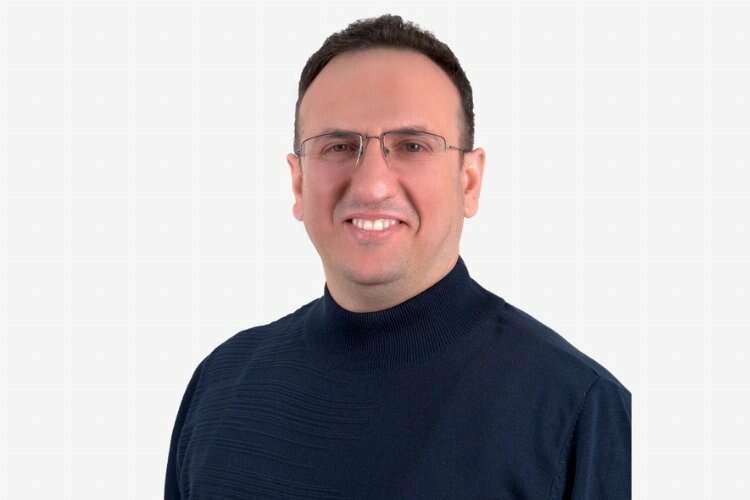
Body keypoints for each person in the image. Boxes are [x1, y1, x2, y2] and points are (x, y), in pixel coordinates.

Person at [164, 14, 631, 499]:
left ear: (469, 181)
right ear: (299, 182)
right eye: (338, 145)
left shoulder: (579, 412)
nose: (372, 185)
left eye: (412, 146)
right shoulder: (219, 387)